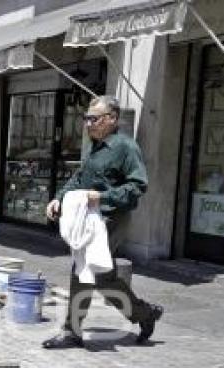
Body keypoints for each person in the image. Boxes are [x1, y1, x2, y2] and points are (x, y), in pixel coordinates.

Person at [42, 95, 163, 349]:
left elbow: (138, 185)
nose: (87, 124)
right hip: (90, 219)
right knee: (98, 276)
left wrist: (104, 196)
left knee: (86, 273)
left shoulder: (125, 147)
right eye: (86, 118)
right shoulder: (95, 147)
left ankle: (72, 331)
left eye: (93, 119)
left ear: (111, 119)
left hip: (111, 219)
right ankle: (144, 314)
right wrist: (59, 199)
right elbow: (79, 179)